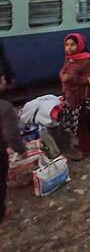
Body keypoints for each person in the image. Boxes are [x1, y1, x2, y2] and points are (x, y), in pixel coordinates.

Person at [59, 33, 90, 158]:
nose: (69, 48)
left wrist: (71, 78)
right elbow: (64, 71)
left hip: (83, 98)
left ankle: (85, 148)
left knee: (84, 123)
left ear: (80, 45)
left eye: (72, 45)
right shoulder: (70, 58)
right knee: (77, 123)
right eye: (67, 45)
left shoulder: (88, 60)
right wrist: (63, 76)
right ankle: (82, 145)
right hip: (71, 97)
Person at [0, 75, 25, 224]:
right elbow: (11, 136)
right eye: (2, 79)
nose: (5, 81)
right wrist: (22, 150)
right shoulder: (4, 107)